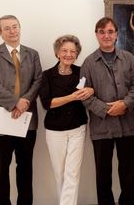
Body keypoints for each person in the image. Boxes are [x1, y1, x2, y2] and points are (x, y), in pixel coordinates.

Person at [80, 17, 134, 205]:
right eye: (102, 31)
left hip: (126, 124)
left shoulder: (129, 58)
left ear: (116, 34)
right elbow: (83, 95)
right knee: (103, 171)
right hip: (101, 127)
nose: (106, 35)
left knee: (128, 170)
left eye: (110, 31)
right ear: (96, 34)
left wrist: (124, 104)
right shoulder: (88, 63)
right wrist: (106, 109)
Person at [39, 35, 94, 205]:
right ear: (57, 53)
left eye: (73, 51)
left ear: (77, 54)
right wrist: (71, 97)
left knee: (72, 173)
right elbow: (47, 103)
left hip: (77, 128)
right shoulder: (47, 75)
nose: (69, 54)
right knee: (60, 173)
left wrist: (90, 90)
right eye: (65, 50)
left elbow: (91, 89)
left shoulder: (82, 72)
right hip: (55, 131)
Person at [0, 15, 42, 205]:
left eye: (15, 27)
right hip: (3, 119)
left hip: (27, 120)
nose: (12, 31)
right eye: (7, 28)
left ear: (20, 28)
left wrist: (25, 100)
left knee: (25, 167)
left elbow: (38, 80)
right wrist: (14, 103)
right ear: (0, 33)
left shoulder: (32, 54)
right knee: (1, 169)